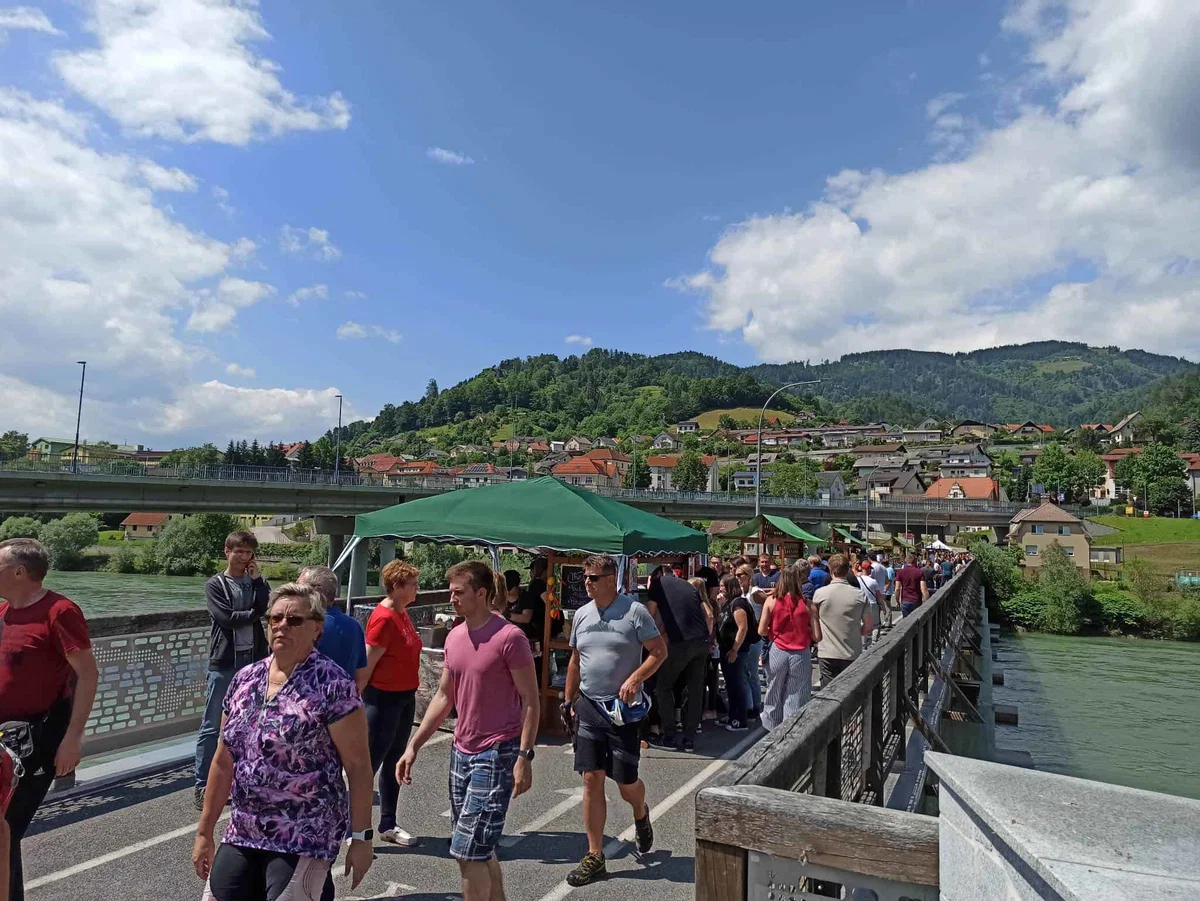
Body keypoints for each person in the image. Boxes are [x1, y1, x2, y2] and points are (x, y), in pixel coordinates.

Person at [192, 584, 374, 901]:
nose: (281, 626)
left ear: (316, 629)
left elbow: (358, 767)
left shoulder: (333, 685)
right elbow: (223, 759)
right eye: (275, 619)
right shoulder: (244, 680)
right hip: (245, 827)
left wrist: (361, 838)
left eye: (294, 621)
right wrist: (204, 832)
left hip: (305, 832)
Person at [397, 562, 538, 901]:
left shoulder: (509, 637)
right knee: (479, 845)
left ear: (482, 593)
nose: (452, 598)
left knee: (466, 850)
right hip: (461, 751)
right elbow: (445, 696)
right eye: (451, 591)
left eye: (458, 592)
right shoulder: (456, 635)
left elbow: (531, 700)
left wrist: (524, 756)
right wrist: (413, 745)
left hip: (497, 751)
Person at [0, 539, 98, 901]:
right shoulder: (4, 612)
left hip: (36, 741)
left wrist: (73, 738)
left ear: (19, 572)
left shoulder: (60, 611)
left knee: (5, 831)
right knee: (3, 834)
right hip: (3, 741)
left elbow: (88, 674)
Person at [560, 554, 665, 887]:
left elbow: (659, 651)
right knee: (591, 778)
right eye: (584, 578)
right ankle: (595, 855)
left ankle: (640, 813)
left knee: (625, 783)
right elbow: (576, 658)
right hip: (590, 706)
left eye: (592, 578)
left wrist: (635, 678)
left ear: (610, 578)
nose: (586, 583)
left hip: (623, 710)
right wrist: (567, 700)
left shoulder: (635, 612)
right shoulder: (581, 615)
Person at [195, 530, 270, 811]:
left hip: (253, 662)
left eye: (248, 552)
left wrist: (257, 580)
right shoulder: (215, 584)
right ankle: (202, 785)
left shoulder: (254, 582)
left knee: (252, 723)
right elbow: (225, 618)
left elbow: (265, 604)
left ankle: (243, 781)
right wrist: (253, 615)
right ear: (227, 551)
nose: (244, 557)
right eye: (239, 552)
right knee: (212, 725)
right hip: (225, 662)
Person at [360, 559, 424, 847]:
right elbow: (366, 665)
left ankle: (388, 823)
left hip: (404, 697)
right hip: (382, 700)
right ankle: (353, 831)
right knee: (369, 766)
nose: (417, 589)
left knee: (395, 762)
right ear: (397, 587)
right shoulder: (383, 619)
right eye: (412, 584)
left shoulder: (402, 613)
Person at [649, 570, 710, 752]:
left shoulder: (657, 585)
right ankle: (689, 739)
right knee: (695, 690)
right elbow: (704, 613)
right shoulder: (687, 585)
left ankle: (669, 736)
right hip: (702, 641)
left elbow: (650, 617)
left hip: (681, 642)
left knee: (663, 686)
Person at [757, 563, 820, 730]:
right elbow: (817, 636)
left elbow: (761, 630)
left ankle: (771, 729)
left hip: (778, 649)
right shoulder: (808, 604)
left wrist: (774, 633)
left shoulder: (771, 600)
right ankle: (790, 730)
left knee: (773, 690)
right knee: (796, 693)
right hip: (800, 652)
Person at [300, 566, 369, 691]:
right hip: (343, 704)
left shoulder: (304, 626)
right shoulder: (354, 626)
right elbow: (362, 676)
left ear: (316, 591)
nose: (295, 594)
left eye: (299, 588)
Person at [812, 555, 869, 686]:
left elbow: (814, 620)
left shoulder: (820, 594)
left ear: (830, 570)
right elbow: (868, 627)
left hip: (827, 651)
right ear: (848, 570)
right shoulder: (859, 594)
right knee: (849, 689)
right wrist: (854, 632)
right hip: (851, 650)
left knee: (828, 690)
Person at [717, 574, 756, 733]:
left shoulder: (738, 604)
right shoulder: (728, 603)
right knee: (730, 685)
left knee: (737, 684)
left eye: (722, 586)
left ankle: (740, 719)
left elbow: (743, 627)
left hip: (736, 651)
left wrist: (734, 649)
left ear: (729, 587)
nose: (720, 588)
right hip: (726, 649)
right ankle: (732, 714)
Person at [509, 557, 548, 682]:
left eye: (532, 569)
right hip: (536, 630)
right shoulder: (537, 584)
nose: (530, 573)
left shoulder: (531, 590)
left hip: (532, 633)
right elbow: (551, 603)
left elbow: (526, 617)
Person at [734, 565, 764, 720]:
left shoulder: (755, 593)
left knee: (751, 674)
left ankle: (754, 706)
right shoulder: (742, 593)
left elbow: (769, 604)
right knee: (745, 673)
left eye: (740, 574)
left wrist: (761, 622)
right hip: (745, 638)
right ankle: (750, 704)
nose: (737, 577)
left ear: (748, 575)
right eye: (736, 575)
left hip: (753, 638)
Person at [857, 560, 884, 650]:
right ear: (868, 570)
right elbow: (878, 596)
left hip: (861, 603)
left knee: (863, 623)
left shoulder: (857, 579)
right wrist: (883, 606)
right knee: (875, 624)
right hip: (872, 603)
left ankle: (863, 644)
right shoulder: (873, 581)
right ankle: (874, 642)